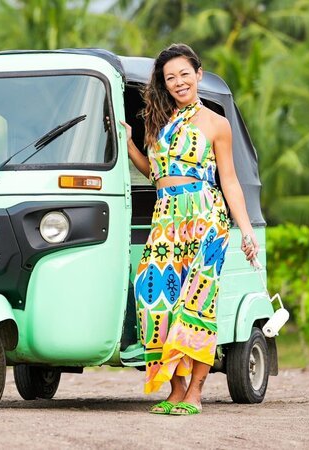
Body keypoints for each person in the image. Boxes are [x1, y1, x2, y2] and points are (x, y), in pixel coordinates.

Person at [121, 43, 259, 416]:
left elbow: (229, 180)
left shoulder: (217, 123)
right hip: (166, 218)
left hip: (205, 217)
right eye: (170, 78)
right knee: (153, 297)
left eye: (184, 74)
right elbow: (156, 173)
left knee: (196, 304)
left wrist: (245, 230)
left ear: (198, 74)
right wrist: (130, 143)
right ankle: (175, 390)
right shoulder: (159, 122)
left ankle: (195, 392)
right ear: (164, 84)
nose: (179, 82)